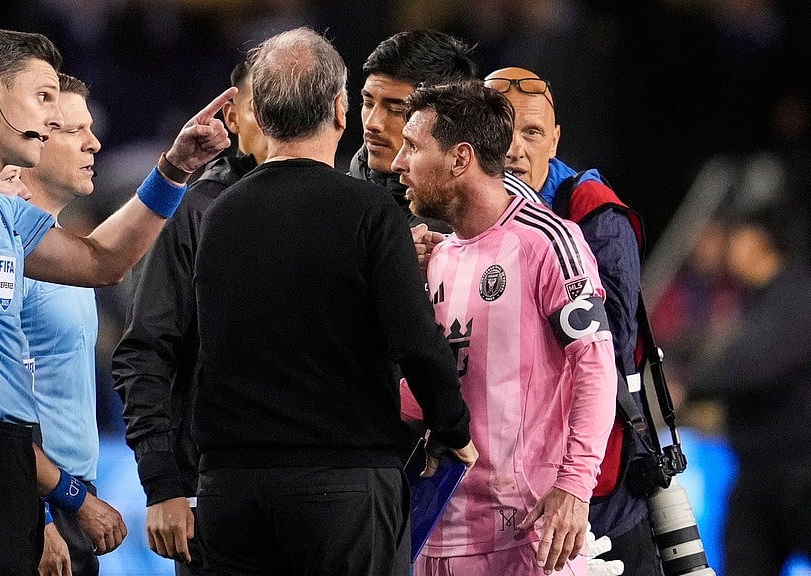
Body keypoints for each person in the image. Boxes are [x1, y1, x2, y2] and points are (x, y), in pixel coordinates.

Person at [0, 29, 235, 575]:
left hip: (6, 460)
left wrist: (174, 170)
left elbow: (100, 262)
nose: (48, 119)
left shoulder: (0, 207)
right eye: (42, 99)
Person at [192, 27, 476, 576]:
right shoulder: (370, 213)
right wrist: (452, 427)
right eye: (367, 103)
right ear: (341, 111)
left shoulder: (219, 213)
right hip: (340, 483)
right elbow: (416, 342)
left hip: (229, 486)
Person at [391, 80, 616, 575]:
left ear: (460, 158)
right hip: (433, 532)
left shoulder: (548, 242)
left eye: (413, 146)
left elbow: (597, 367)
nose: (397, 163)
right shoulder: (437, 255)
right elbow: (431, 388)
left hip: (524, 539)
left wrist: (575, 485)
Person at [483, 67, 659, 576]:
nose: (515, 148)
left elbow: (608, 352)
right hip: (498, 484)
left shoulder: (592, 215)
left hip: (594, 493)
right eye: (503, 130)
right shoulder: (457, 219)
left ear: (555, 139)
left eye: (532, 132)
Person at [111, 46, 267, 575]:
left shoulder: (348, 208)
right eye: (264, 100)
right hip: (214, 501)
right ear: (231, 113)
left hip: (319, 500)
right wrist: (163, 484)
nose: (280, 115)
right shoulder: (192, 210)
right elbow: (145, 351)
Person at [19, 73, 119, 576]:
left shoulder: (58, 247)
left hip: (69, 495)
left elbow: (108, 259)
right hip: (38, 502)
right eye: (74, 129)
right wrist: (42, 515)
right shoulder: (5, 247)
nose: (94, 142)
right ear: (33, 138)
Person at [688, 205, 811, 576]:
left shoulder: (796, 298)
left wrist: (691, 383)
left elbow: (752, 367)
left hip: (800, 473)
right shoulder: (755, 301)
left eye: (740, 236)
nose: (731, 247)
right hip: (759, 472)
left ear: (763, 244)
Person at [350, 29, 541, 234]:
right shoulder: (337, 194)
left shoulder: (506, 208)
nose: (373, 123)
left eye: (396, 109)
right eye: (368, 102)